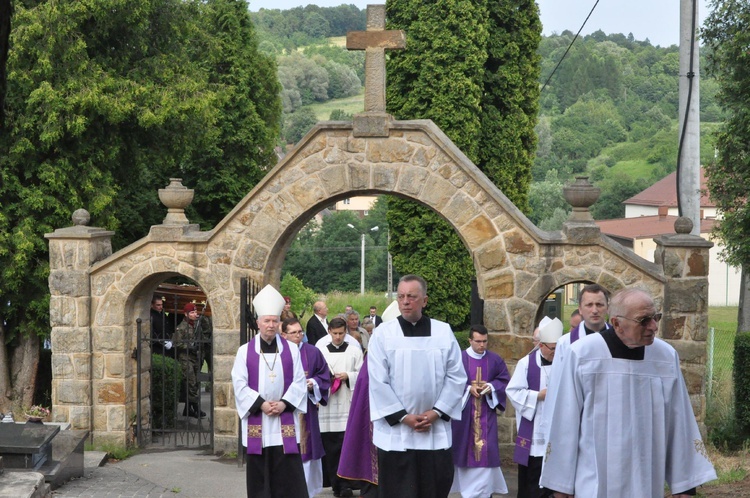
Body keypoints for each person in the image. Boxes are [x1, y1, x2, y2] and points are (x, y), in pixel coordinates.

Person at [539, 289, 717, 497]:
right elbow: (564, 421)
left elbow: (679, 421)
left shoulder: (665, 356)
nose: (653, 326)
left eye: (655, 318)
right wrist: (561, 486)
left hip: (647, 480)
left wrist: (685, 485)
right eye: (644, 320)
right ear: (616, 324)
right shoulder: (583, 354)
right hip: (594, 481)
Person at [368, 274, 467, 498]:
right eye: (401, 296)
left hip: (435, 430)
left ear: (424, 300)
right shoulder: (383, 334)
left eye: (411, 296)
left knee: (433, 489)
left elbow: (456, 376)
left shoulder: (443, 332)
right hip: (397, 433)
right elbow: (377, 380)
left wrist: (436, 412)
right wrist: (404, 417)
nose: (405, 301)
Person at [231, 284, 308, 497]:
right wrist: (261, 404)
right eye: (267, 321)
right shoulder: (244, 351)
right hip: (259, 419)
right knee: (260, 475)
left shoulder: (291, 349)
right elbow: (239, 384)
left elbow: (300, 382)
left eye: (275, 321)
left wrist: (284, 404)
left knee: (287, 476)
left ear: (280, 324)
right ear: (258, 323)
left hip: (285, 419)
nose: (271, 325)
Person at [450, 324, 511, 498]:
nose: (482, 345)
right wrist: (467, 388)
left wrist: (491, 386)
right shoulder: (459, 359)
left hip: (486, 415)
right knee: (464, 452)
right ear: (470, 340)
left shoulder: (495, 360)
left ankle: (483, 493)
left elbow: (504, 380)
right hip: (464, 416)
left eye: (485, 341)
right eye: (478, 341)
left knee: (486, 453)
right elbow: (450, 380)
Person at [506, 317, 563, 498]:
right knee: (531, 484)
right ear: (541, 346)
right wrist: (538, 395)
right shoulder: (526, 363)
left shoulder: (564, 361)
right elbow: (513, 391)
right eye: (552, 348)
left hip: (557, 429)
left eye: (558, 347)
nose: (556, 352)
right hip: (535, 432)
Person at [281, 317, 330, 498]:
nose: (298, 336)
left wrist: (314, 383)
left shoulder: (313, 352)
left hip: (306, 412)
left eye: (300, 332)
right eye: (293, 333)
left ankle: (307, 493)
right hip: (284, 410)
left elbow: (324, 375)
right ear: (284, 334)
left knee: (307, 450)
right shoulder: (278, 353)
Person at [317, 317, 364, 497]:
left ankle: (347, 483)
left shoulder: (354, 351)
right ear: (329, 331)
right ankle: (336, 484)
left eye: (341, 333)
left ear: (346, 332)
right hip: (328, 407)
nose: (338, 337)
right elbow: (317, 374)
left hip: (347, 403)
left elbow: (362, 374)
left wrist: (348, 375)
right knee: (331, 446)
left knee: (346, 444)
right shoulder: (320, 351)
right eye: (335, 333)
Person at [173, 302, 210, 418]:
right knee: (191, 382)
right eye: (192, 312)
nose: (195, 314)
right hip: (186, 359)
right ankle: (196, 408)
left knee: (196, 383)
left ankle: (187, 409)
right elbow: (177, 343)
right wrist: (189, 347)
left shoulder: (197, 325)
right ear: (186, 314)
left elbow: (205, 335)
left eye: (195, 312)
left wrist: (203, 319)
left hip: (197, 358)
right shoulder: (181, 327)